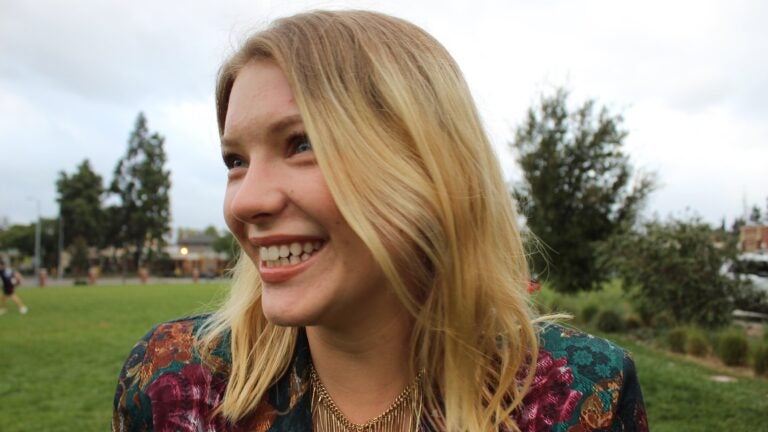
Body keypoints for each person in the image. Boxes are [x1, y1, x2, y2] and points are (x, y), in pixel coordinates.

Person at [113, 10, 647, 431]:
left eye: (303, 144)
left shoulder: (577, 397)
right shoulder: (175, 386)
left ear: (427, 165)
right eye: (236, 161)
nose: (245, 202)